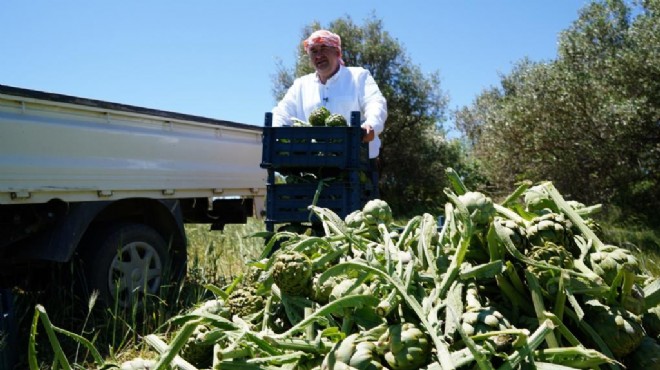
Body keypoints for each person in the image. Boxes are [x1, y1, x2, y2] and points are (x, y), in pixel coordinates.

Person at [272, 29, 388, 196]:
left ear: (337, 51)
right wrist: (275, 132)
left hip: (357, 164)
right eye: (313, 51)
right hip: (313, 165)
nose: (318, 55)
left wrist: (371, 125)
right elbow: (281, 112)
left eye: (323, 49)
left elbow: (376, 103)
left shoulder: (358, 76)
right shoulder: (301, 85)